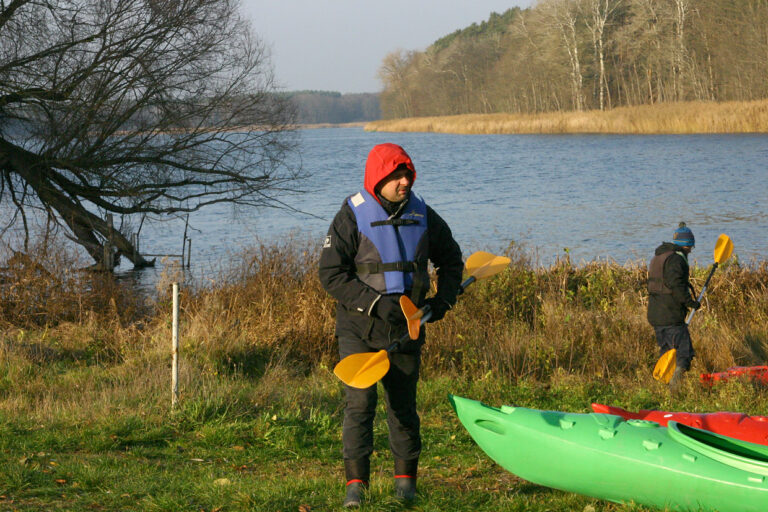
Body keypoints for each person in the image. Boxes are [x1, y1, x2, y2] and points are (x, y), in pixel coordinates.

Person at [319, 143, 463, 507]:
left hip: (406, 329)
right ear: (378, 178)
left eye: (408, 175)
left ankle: (405, 487)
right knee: (360, 405)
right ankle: (356, 488)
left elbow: (451, 260)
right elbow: (331, 274)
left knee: (402, 408)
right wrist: (375, 304)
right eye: (397, 176)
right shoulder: (351, 216)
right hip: (359, 328)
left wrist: (443, 300)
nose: (405, 182)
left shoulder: (423, 213)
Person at [647, 222, 701, 391]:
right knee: (684, 353)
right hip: (670, 316)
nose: (690, 251)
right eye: (690, 247)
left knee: (667, 352)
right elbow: (676, 285)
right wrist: (690, 302)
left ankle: (661, 388)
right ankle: (674, 390)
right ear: (686, 245)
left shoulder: (659, 257)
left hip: (656, 314)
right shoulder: (676, 260)